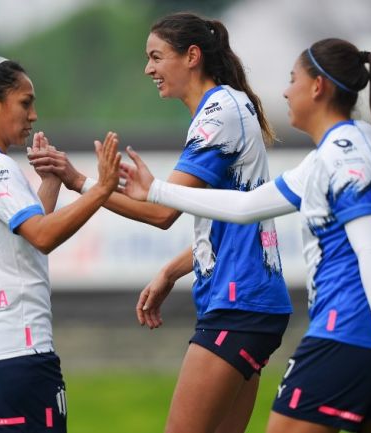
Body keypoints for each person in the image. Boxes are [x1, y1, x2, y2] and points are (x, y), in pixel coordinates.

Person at [119, 37, 371, 433]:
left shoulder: (342, 155)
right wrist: (157, 190)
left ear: (317, 88)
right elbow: (245, 207)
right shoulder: (340, 150)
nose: (284, 90)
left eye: (292, 78)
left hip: (349, 332)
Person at [29, 12, 292, 433]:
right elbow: (228, 222)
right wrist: (170, 271)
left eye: (156, 56)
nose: (148, 68)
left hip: (239, 304)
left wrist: (81, 182)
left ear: (192, 56)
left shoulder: (217, 115)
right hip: (251, 304)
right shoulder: (226, 106)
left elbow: (162, 212)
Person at [0, 54, 120, 433]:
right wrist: (100, 189)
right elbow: (43, 236)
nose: (33, 114)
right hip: (13, 353)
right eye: (25, 102)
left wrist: (49, 183)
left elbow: (21, 240)